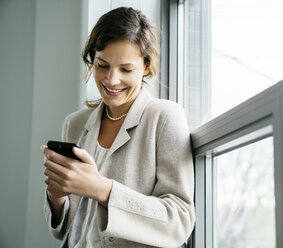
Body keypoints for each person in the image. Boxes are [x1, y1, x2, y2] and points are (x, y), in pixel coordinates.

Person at [41, 7, 195, 248]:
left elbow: (179, 221)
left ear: (145, 66)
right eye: (102, 65)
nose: (111, 80)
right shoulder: (75, 124)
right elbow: (65, 232)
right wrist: (57, 195)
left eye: (126, 69)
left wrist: (101, 189)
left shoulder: (165, 117)